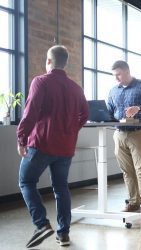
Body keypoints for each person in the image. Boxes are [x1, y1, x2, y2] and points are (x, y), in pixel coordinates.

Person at [17, 45, 89, 248]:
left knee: (26, 181)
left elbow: (30, 113)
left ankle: (41, 224)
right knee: (61, 188)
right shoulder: (76, 88)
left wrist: (21, 138)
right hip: (65, 147)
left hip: (41, 143)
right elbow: (85, 113)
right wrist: (72, 129)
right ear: (65, 63)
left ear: (49, 61)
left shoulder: (41, 81)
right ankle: (63, 234)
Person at [107, 60, 141, 213]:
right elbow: (110, 112)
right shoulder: (113, 91)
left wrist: (139, 108)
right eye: (114, 75)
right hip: (119, 135)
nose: (116, 78)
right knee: (127, 171)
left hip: (138, 134)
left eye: (119, 75)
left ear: (127, 71)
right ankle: (134, 202)